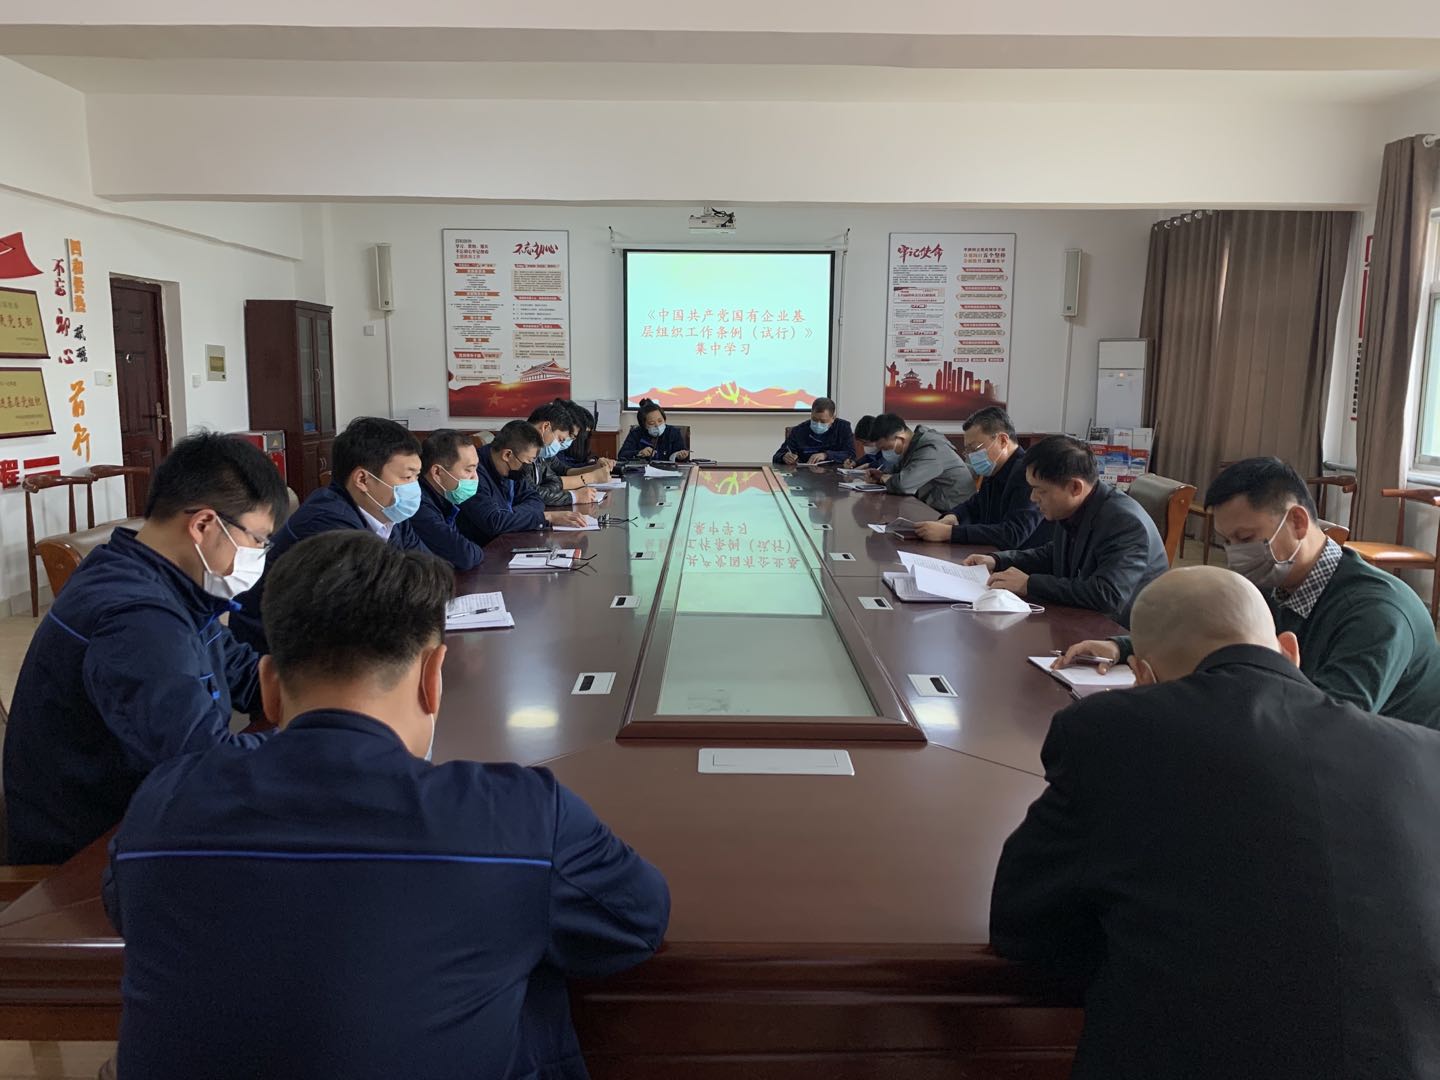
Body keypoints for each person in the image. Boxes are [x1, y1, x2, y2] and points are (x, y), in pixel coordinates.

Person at [104, 531, 669, 1080]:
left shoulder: (163, 803)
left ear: (269, 686)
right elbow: (638, 919)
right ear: (433, 678)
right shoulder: (520, 815)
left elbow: (126, 907)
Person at [991, 566, 1440, 1080]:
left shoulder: (1110, 732)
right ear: (1289, 651)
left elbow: (1022, 923)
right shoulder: (1424, 754)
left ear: (1143, 677)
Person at [3, 433, 287, 865]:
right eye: (259, 540)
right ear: (204, 525)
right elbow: (203, 767)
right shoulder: (136, 617)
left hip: (146, 820)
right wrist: (323, 750)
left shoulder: (171, 586)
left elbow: (248, 676)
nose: (260, 555)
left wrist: (340, 693)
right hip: (89, 857)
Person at [1059, 457, 1440, 728]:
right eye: (1228, 542)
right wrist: (1124, 646)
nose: (1237, 556)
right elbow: (1209, 630)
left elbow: (1330, 724)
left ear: (1297, 521)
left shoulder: (1376, 613)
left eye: (1246, 538)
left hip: (1392, 776)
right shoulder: (1278, 580)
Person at [231, 416, 429, 654]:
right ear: (363, 479)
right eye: (407, 477)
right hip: (276, 654)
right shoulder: (326, 523)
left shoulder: (389, 514)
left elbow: (426, 571)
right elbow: (370, 608)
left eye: (416, 477)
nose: (414, 487)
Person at [963, 435, 1167, 627]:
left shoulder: (1124, 522)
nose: (1033, 498)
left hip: (1121, 633)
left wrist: (1029, 584)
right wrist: (998, 560)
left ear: (1075, 488)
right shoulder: (1076, 506)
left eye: (1040, 490)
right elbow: (1054, 554)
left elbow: (1107, 595)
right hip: (1082, 619)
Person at [914, 406, 1048, 549]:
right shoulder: (994, 469)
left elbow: (1013, 533)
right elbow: (974, 505)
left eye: (975, 448)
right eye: (968, 450)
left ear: (1003, 440)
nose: (971, 456)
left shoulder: (1027, 474)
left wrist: (950, 533)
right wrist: (953, 517)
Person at [457, 420, 586, 545]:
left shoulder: (513, 468)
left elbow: (535, 499)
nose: (528, 467)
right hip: (483, 547)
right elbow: (494, 522)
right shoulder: (473, 474)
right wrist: (547, 517)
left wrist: (511, 516)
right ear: (507, 455)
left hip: (507, 538)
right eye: (528, 461)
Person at [866, 412, 975, 513]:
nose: (885, 452)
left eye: (886, 448)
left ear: (900, 439)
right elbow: (898, 470)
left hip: (954, 511)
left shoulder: (931, 449)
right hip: (933, 505)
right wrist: (881, 475)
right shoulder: (914, 446)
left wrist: (884, 478)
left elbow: (904, 485)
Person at [411, 429, 486, 572]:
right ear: (437, 472)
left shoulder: (447, 497)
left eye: (476, 469)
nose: (475, 477)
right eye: (468, 470)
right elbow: (465, 555)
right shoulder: (418, 505)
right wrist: (476, 550)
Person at [527, 402, 609, 507]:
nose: (560, 444)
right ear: (546, 426)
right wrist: (574, 496)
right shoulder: (520, 450)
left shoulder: (540, 454)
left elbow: (554, 480)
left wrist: (594, 467)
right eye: (560, 439)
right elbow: (533, 494)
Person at [772, 397, 854, 466]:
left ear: (833, 418)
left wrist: (826, 455)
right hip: (806, 474)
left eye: (823, 421)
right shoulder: (799, 431)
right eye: (814, 419)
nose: (818, 424)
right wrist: (783, 457)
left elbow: (851, 454)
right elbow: (776, 456)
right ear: (811, 414)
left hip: (834, 474)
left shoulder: (843, 427)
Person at [552, 400, 615, 477]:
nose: (585, 436)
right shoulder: (554, 447)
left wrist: (594, 462)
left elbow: (565, 470)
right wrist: (593, 470)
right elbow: (563, 470)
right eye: (584, 432)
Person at [617, 399, 690, 462]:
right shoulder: (636, 433)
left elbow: (684, 457)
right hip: (642, 472)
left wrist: (680, 456)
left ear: (664, 419)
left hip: (669, 471)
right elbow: (622, 455)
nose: (657, 425)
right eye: (651, 423)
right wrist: (639, 453)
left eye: (660, 421)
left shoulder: (673, 432)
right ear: (643, 425)